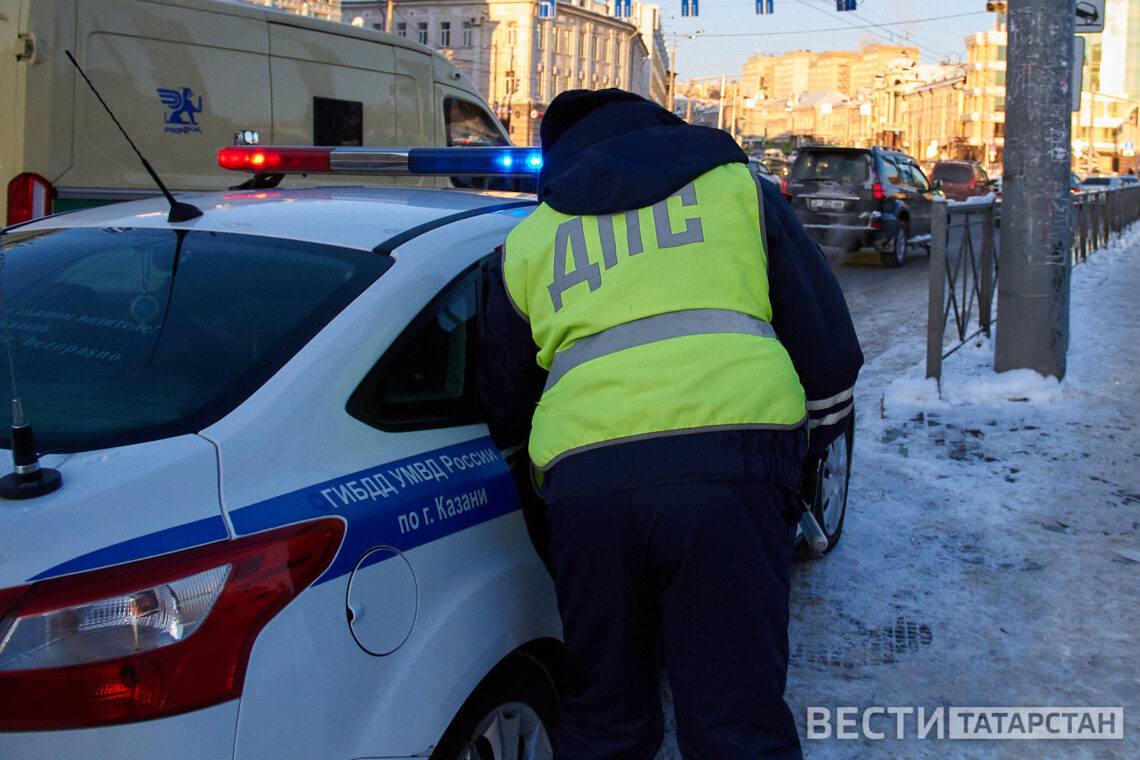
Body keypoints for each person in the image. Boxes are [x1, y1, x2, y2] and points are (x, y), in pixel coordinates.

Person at [477, 89, 862, 760]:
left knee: (606, 721)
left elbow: (505, 407)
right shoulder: (738, 190)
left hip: (589, 484)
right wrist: (802, 471)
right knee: (737, 719)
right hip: (735, 469)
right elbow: (825, 347)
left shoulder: (527, 243)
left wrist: (553, 505)